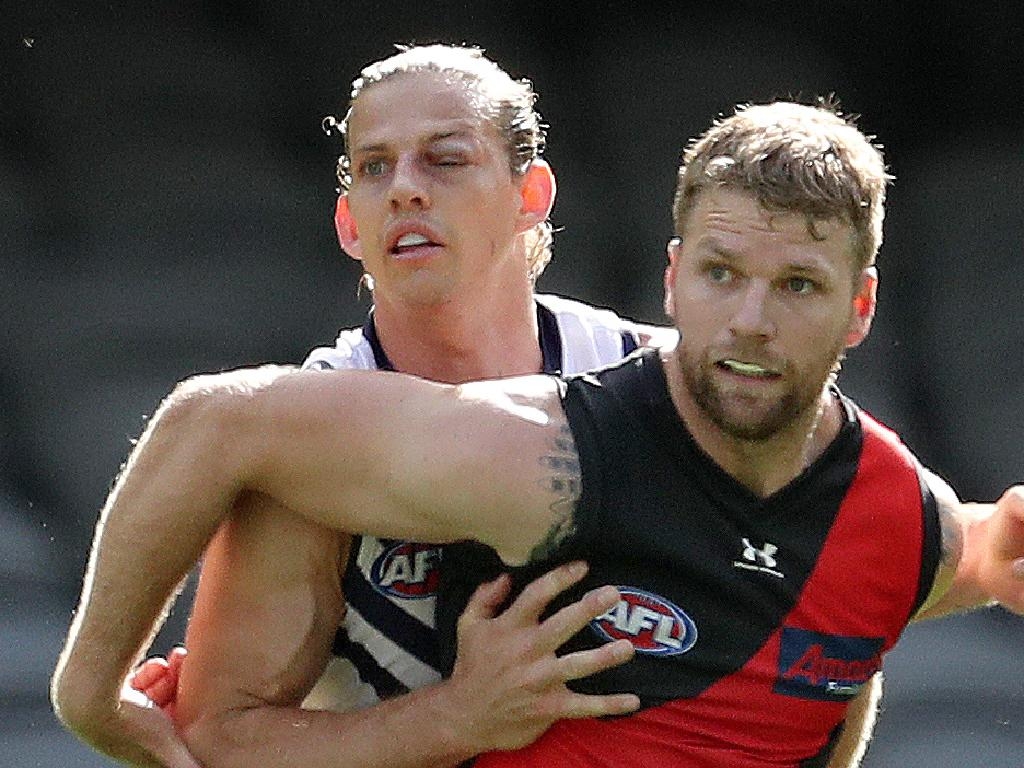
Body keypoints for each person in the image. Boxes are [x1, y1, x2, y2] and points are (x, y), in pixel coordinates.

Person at [53, 88, 1003, 768]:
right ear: (346, 221)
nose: (407, 190)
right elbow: (224, 737)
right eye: (375, 168)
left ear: (532, 197)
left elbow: (859, 574)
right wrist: (93, 695)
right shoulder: (332, 442)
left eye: (446, 158)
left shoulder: (679, 383)